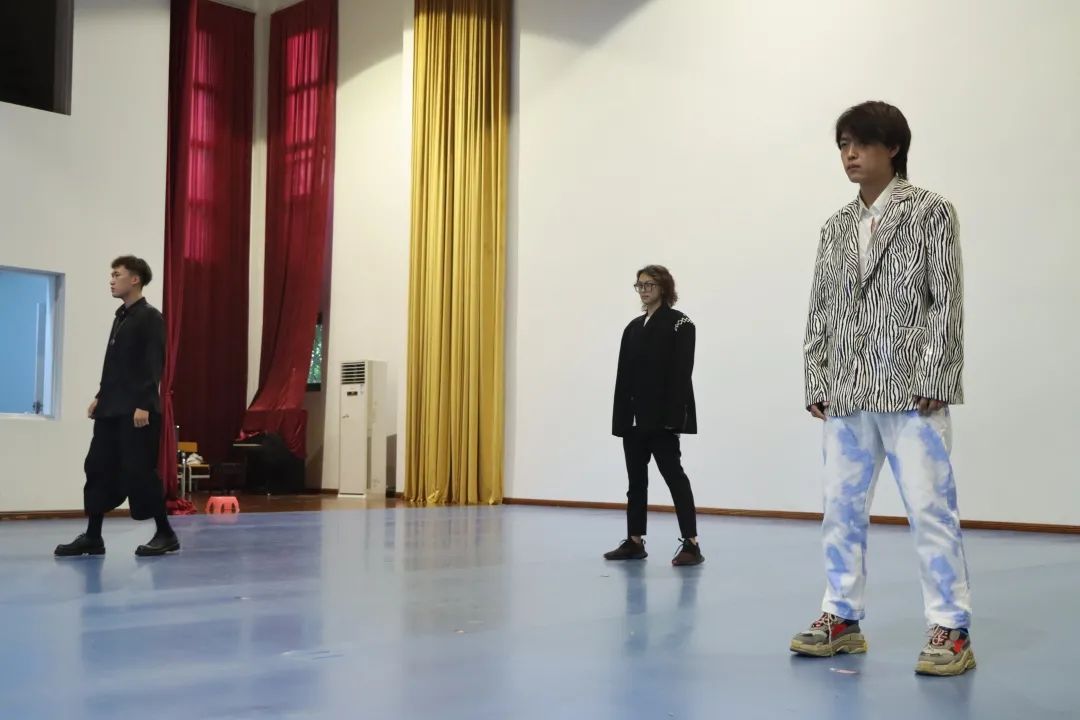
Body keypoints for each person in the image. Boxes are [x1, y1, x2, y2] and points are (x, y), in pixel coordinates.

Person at [791, 101, 974, 676]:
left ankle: (951, 628)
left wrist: (936, 376)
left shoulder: (930, 211)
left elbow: (946, 298)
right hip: (847, 392)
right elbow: (821, 307)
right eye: (843, 145)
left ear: (892, 147)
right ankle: (841, 618)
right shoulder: (835, 227)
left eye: (861, 143)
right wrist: (817, 377)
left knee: (930, 510)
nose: (849, 155)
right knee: (840, 511)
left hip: (912, 392)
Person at [55, 256, 180, 558]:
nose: (111, 280)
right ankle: (93, 537)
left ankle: (165, 533)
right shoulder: (121, 317)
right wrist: (101, 395)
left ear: (134, 279)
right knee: (98, 467)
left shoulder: (150, 317)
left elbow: (153, 362)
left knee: (140, 472)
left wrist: (144, 403)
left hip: (137, 411)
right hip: (112, 408)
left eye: (116, 275)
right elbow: (115, 365)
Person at [605, 265, 703, 566]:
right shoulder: (633, 328)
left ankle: (692, 543)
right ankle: (634, 541)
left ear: (664, 287)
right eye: (640, 285)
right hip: (634, 421)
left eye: (650, 284)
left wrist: (674, 419)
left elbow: (681, 375)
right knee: (636, 482)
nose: (644, 289)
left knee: (674, 478)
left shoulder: (680, 324)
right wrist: (622, 419)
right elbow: (623, 376)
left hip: (661, 420)